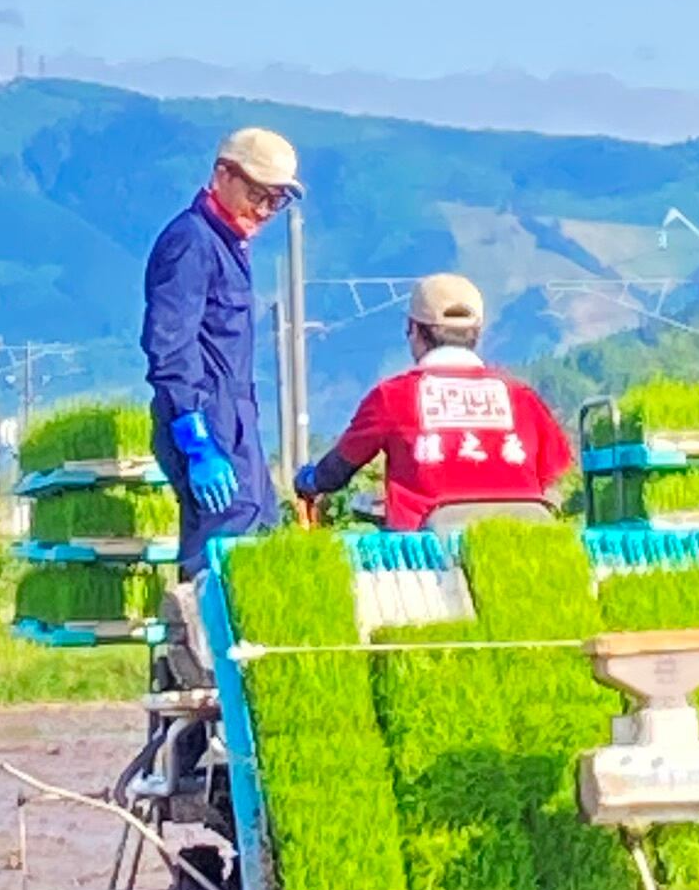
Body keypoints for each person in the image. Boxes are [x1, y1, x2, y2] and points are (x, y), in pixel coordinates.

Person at [292, 271, 576, 532]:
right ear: (476, 333)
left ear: (414, 330)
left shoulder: (392, 396)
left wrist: (308, 481)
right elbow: (554, 470)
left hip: (427, 556)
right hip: (523, 541)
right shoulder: (522, 397)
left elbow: (335, 472)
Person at [141, 121, 299, 575]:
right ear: (222, 175)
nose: (266, 209)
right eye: (258, 194)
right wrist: (195, 440)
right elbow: (169, 345)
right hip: (206, 422)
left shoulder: (229, 245)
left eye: (277, 200)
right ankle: (194, 646)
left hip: (236, 422)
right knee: (217, 559)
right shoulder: (191, 241)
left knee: (259, 534)